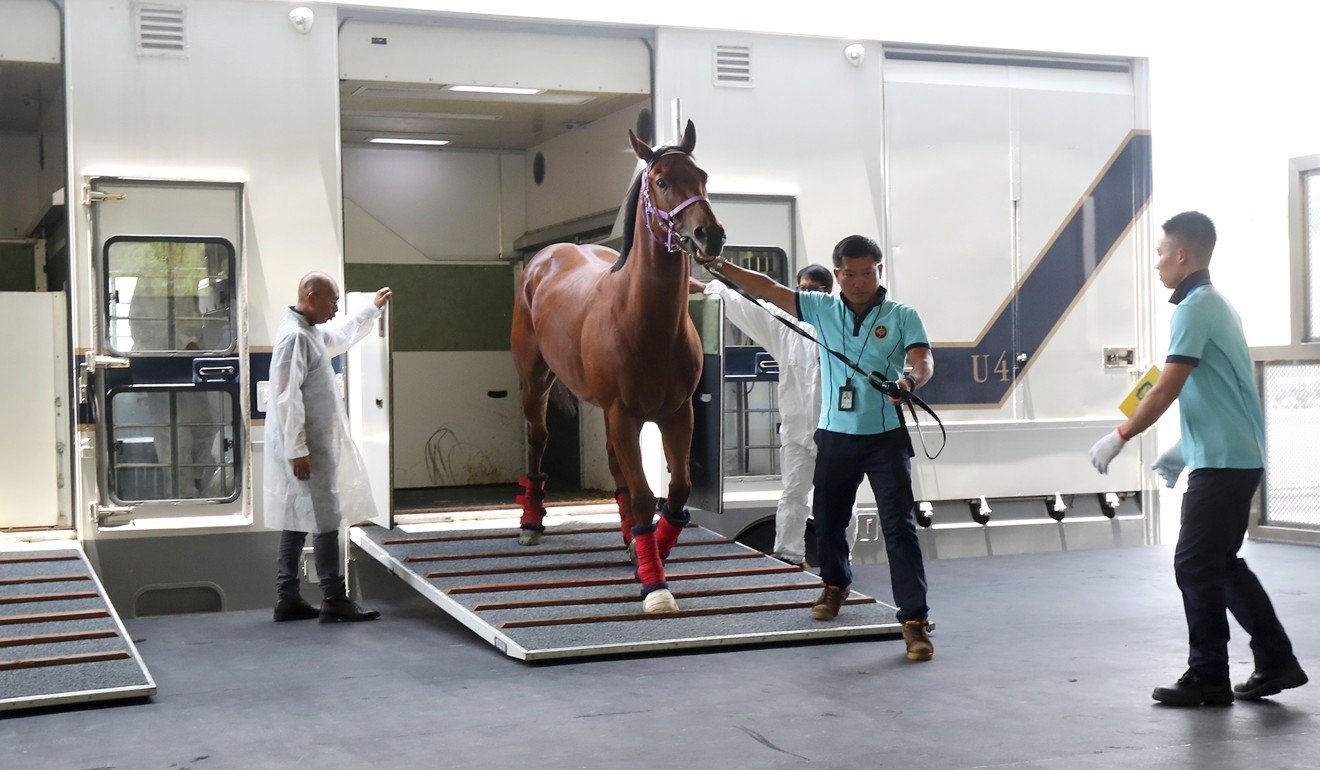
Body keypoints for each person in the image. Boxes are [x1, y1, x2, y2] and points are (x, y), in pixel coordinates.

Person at [1089, 211, 1307, 706]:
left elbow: (1168, 385)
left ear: (1182, 255)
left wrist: (1121, 434)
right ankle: (1277, 661)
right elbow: (1217, 393)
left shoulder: (1193, 309)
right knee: (1220, 565)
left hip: (1225, 463)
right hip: (1233, 455)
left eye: (1161, 254)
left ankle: (1208, 674)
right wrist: (1183, 448)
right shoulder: (1215, 305)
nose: (1157, 264)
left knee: (1193, 565)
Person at [697, 235, 936, 662]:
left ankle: (914, 622)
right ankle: (834, 584)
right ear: (838, 274)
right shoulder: (820, 308)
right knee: (827, 520)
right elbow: (766, 290)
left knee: (899, 528)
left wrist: (910, 381)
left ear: (880, 271)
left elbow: (923, 360)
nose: (859, 281)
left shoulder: (902, 315)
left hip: (884, 438)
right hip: (834, 434)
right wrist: (718, 264)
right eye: (850, 273)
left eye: (868, 272)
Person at [691, 265, 859, 566]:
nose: (806, 294)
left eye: (814, 290)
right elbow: (743, 305)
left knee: (841, 500)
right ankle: (788, 557)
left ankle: (841, 560)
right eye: (802, 288)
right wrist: (704, 287)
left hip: (838, 434)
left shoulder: (845, 325)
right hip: (797, 432)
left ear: (828, 292)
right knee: (793, 494)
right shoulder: (785, 327)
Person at [265, 272, 392, 623]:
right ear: (311, 296)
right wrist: (298, 450)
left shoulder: (308, 332)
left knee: (295, 517)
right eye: (332, 301)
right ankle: (334, 597)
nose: (336, 308)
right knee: (325, 518)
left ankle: (286, 597)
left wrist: (369, 310)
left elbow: (338, 337)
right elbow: (286, 399)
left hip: (306, 446)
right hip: (306, 449)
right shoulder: (295, 337)